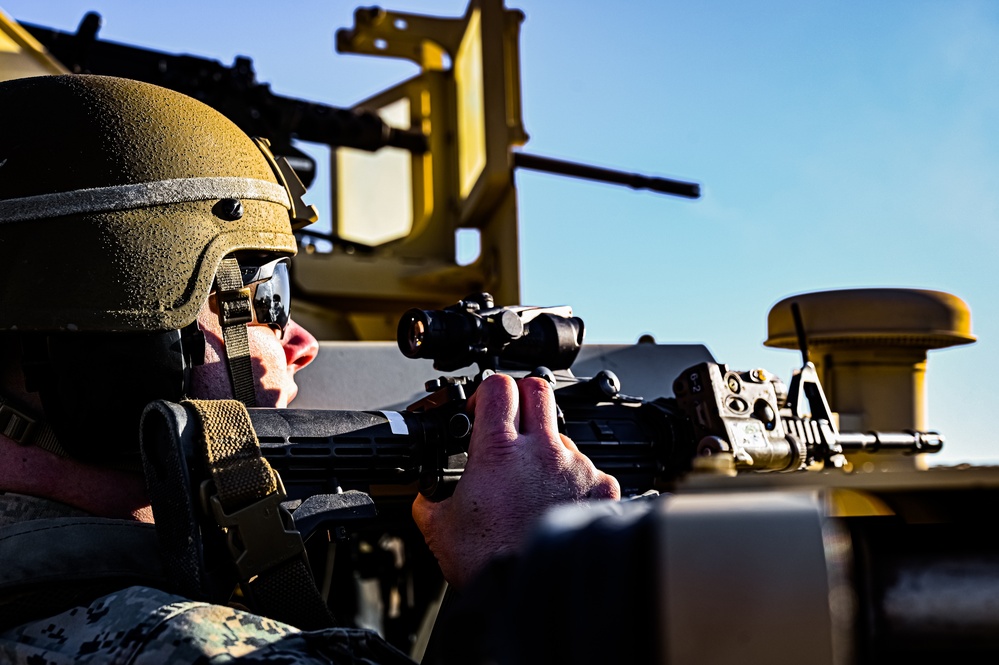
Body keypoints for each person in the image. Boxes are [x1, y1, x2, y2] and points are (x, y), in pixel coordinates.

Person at [0, 74, 619, 663]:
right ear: (126, 349)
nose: (302, 342)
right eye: (269, 297)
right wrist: (536, 579)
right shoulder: (186, 647)